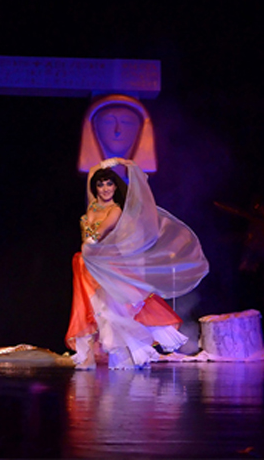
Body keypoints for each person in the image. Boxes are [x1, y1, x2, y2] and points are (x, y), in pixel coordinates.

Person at [66, 157, 209, 369]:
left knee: (112, 311)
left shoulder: (114, 210)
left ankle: (124, 358)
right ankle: (89, 358)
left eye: (109, 184)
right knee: (91, 311)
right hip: (85, 265)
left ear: (115, 187)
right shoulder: (93, 205)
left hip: (106, 265)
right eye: (101, 184)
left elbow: (98, 234)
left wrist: (90, 244)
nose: (105, 188)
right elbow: (93, 172)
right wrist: (112, 161)